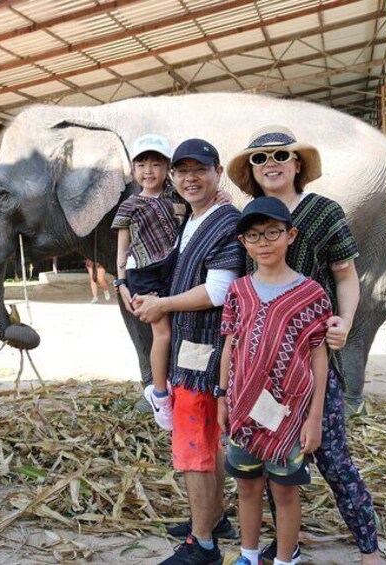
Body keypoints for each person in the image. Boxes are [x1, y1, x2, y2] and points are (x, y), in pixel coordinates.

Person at [226, 125, 380, 565]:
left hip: (310, 360)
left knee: (330, 454)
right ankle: (281, 547)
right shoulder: (251, 217)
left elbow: (346, 274)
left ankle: (368, 546)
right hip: (260, 374)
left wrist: (345, 322)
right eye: (260, 158)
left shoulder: (323, 211)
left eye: (281, 155)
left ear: (298, 164)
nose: (271, 163)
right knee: (269, 456)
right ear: (251, 172)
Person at [132, 138, 245, 565]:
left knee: (195, 447)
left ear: (218, 172)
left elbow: (218, 291)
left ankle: (203, 546)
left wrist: (162, 305)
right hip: (190, 345)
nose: (189, 178)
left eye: (200, 169)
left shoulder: (224, 222)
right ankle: (214, 520)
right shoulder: (195, 217)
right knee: (207, 444)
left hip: (205, 350)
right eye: (182, 171)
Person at [217, 197, 331, 565]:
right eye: (253, 235)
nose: (263, 242)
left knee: (284, 491)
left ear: (291, 235)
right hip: (242, 408)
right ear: (243, 242)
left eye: (272, 233)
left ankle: (284, 559)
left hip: (289, 415)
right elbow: (229, 345)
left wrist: (314, 417)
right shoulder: (238, 291)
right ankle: (248, 555)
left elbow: (318, 355)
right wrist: (222, 397)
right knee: (247, 486)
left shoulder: (311, 294)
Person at [112, 134, 178, 430]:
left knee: (178, 329)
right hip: (144, 272)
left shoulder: (178, 199)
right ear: (132, 170)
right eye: (142, 164)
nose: (148, 171)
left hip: (174, 267)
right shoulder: (129, 206)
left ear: (168, 168)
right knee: (161, 332)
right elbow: (122, 250)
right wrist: (121, 283)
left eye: (156, 164)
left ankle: (176, 385)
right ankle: (160, 393)